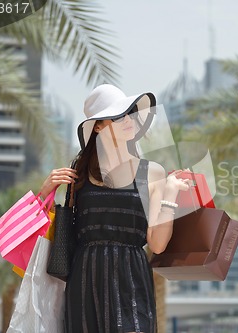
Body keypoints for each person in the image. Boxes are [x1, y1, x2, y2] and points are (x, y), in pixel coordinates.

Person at [39, 84, 191, 333]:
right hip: (85, 279)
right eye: (119, 115)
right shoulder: (78, 174)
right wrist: (45, 192)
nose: (128, 120)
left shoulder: (152, 172)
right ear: (97, 125)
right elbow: (47, 229)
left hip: (131, 279)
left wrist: (171, 191)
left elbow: (158, 244)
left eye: (130, 112)